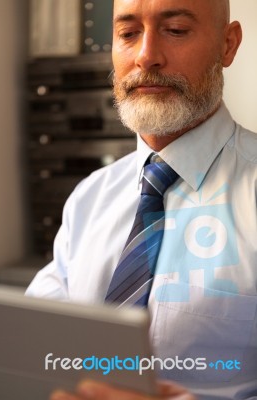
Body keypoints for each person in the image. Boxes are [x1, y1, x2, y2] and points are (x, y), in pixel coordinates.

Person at [26, 0, 257, 399]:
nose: (147, 56)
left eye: (177, 30)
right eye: (128, 33)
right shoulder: (89, 198)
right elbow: (34, 344)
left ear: (228, 44)